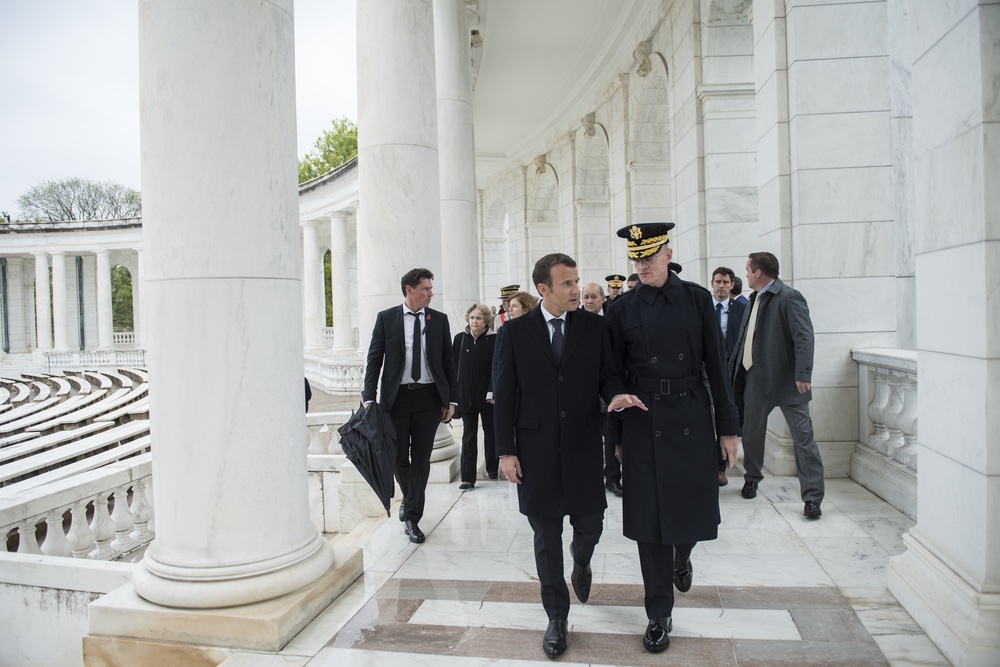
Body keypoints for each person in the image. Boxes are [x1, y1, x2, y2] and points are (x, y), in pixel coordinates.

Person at [494, 253, 644, 659]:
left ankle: (582, 560)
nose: (576, 290)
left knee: (590, 524)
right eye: (566, 284)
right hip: (534, 451)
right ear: (543, 290)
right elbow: (504, 397)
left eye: (577, 281)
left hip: (581, 445)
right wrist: (505, 452)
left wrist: (615, 394)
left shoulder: (595, 328)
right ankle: (556, 617)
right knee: (545, 539)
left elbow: (608, 373)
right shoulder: (514, 333)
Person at [604, 223, 740, 654]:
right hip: (643, 419)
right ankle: (658, 613)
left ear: (668, 253)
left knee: (693, 507)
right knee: (649, 523)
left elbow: (718, 369)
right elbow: (613, 374)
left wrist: (729, 429)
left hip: (691, 414)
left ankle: (684, 553)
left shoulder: (697, 299)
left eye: (648, 256)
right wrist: (617, 436)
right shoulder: (621, 309)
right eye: (636, 258)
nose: (641, 265)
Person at [363, 268, 459, 544]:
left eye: (431, 288)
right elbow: (374, 360)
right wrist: (369, 397)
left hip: (429, 399)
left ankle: (412, 516)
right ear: (409, 290)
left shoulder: (438, 320)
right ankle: (411, 497)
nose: (431, 293)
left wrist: (451, 400)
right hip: (397, 399)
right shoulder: (386, 319)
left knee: (421, 458)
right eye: (426, 288)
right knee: (397, 458)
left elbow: (448, 363)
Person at [729, 251, 824, 519]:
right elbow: (745, 339)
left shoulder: (790, 297)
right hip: (755, 380)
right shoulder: (753, 298)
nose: (745, 274)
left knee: (804, 440)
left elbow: (804, 337)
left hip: (788, 382)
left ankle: (813, 498)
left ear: (759, 272)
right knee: (752, 433)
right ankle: (752, 478)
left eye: (748, 270)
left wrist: (803, 373)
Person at [581, 282, 623, 497]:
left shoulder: (609, 323)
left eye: (593, 297)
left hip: (606, 388)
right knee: (587, 437)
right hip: (583, 390)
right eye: (586, 297)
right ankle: (589, 478)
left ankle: (613, 479)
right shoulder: (575, 323)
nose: (589, 301)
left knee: (610, 435)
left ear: (603, 299)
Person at [452, 303, 498, 488]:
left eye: (478, 318)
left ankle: (492, 467)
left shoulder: (495, 340)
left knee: (491, 433)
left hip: (488, 396)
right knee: (469, 435)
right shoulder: (459, 339)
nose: (474, 321)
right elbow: (453, 368)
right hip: (466, 397)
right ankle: (468, 477)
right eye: (472, 318)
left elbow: (497, 368)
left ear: (486, 320)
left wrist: (492, 390)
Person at [709, 266, 747, 487]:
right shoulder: (703, 307)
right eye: (718, 282)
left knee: (727, 418)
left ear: (732, 285)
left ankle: (721, 468)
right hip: (707, 372)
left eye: (725, 282)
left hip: (733, 374)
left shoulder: (742, 308)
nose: (721, 286)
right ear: (712, 284)